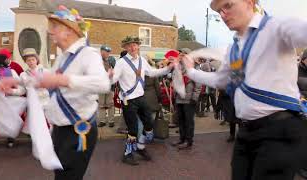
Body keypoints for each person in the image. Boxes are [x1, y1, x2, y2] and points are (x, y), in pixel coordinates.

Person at [183, 0, 307, 179]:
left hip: (278, 131)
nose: (223, 14)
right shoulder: (234, 49)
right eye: (219, 11)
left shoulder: (276, 27)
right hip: (246, 131)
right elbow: (221, 80)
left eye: (228, 5)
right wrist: (191, 71)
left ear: (250, 2)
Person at [0, 6, 110, 179]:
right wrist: (16, 80)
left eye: (54, 27)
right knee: (60, 175)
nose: (50, 32)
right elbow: (45, 78)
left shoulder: (89, 54)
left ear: (68, 31)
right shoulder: (62, 57)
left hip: (78, 132)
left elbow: (103, 83)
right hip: (60, 131)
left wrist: (63, 80)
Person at [110, 36, 174, 165]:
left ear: (138, 46)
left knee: (149, 124)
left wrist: (168, 68)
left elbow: (152, 73)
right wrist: (109, 76)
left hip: (141, 97)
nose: (133, 47)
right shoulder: (121, 62)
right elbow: (113, 79)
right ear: (126, 48)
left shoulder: (143, 60)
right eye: (130, 45)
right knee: (133, 129)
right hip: (128, 100)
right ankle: (128, 154)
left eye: (135, 45)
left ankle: (140, 147)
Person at [0, 54, 25, 149]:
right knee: (9, 118)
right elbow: (18, 85)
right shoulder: (11, 71)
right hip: (8, 99)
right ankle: (10, 140)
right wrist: (12, 90)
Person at [171, 48, 201, 150]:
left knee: (189, 121)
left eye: (184, 54)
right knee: (181, 120)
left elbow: (198, 85)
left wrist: (195, 97)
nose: (181, 56)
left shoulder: (194, 68)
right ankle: (182, 138)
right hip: (179, 98)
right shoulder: (178, 67)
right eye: (181, 54)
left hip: (189, 99)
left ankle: (189, 141)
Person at [98, 45, 116, 128]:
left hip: (110, 85)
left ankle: (111, 120)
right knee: (101, 104)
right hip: (100, 86)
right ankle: (102, 120)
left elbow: (116, 70)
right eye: (106, 52)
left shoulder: (112, 59)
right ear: (101, 51)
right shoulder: (97, 60)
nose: (108, 53)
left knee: (110, 104)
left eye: (108, 52)